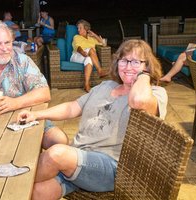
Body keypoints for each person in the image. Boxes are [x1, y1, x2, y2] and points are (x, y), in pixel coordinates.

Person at [17, 39, 168, 200]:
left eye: (136, 62)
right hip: (78, 160)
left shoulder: (155, 93)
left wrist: (143, 76)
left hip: (111, 167)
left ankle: (10, 183)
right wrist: (37, 115)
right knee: (37, 192)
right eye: (124, 60)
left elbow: (138, 102)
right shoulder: (105, 86)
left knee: (56, 154)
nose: (129, 67)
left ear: (147, 66)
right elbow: (72, 108)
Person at [70, 19, 107, 92]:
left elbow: (103, 44)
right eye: (77, 28)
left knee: (89, 60)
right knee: (91, 50)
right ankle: (100, 71)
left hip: (87, 56)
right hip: (77, 55)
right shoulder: (76, 37)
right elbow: (77, 47)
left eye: (80, 28)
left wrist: (94, 35)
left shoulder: (91, 39)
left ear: (86, 29)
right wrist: (82, 52)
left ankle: (86, 85)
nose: (78, 30)